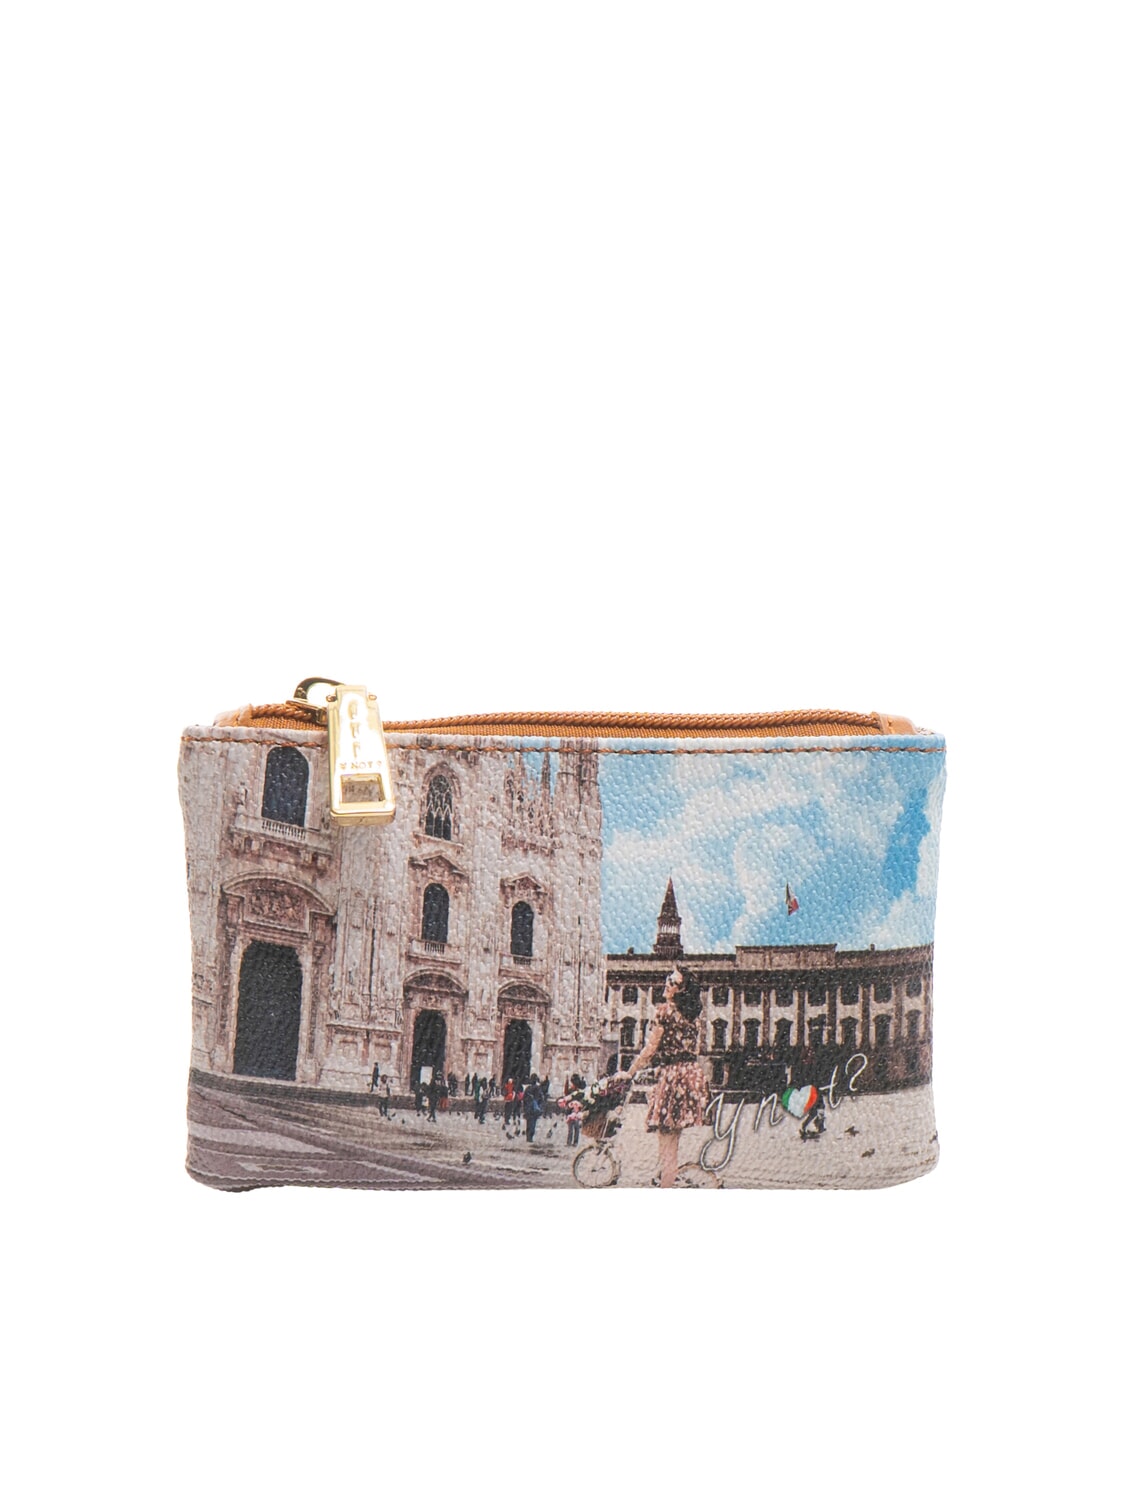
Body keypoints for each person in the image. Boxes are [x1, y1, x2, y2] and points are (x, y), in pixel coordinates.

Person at [618, 967, 707, 1188]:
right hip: (690, 1076)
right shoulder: (692, 1018)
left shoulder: (665, 1012)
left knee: (668, 1151)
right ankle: (666, 1179)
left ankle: (666, 1185)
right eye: (668, 979)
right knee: (671, 1142)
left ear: (682, 990)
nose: (667, 983)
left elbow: (650, 1049)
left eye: (673, 982)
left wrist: (629, 1072)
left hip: (673, 1078)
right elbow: (688, 1050)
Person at [523, 1074, 545, 1143]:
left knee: (528, 1124)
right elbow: (541, 1098)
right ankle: (530, 1138)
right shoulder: (538, 1088)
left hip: (528, 1109)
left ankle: (528, 1137)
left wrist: (525, 1108)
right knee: (532, 1124)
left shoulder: (528, 1088)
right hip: (534, 1110)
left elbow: (524, 1099)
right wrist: (540, 1107)